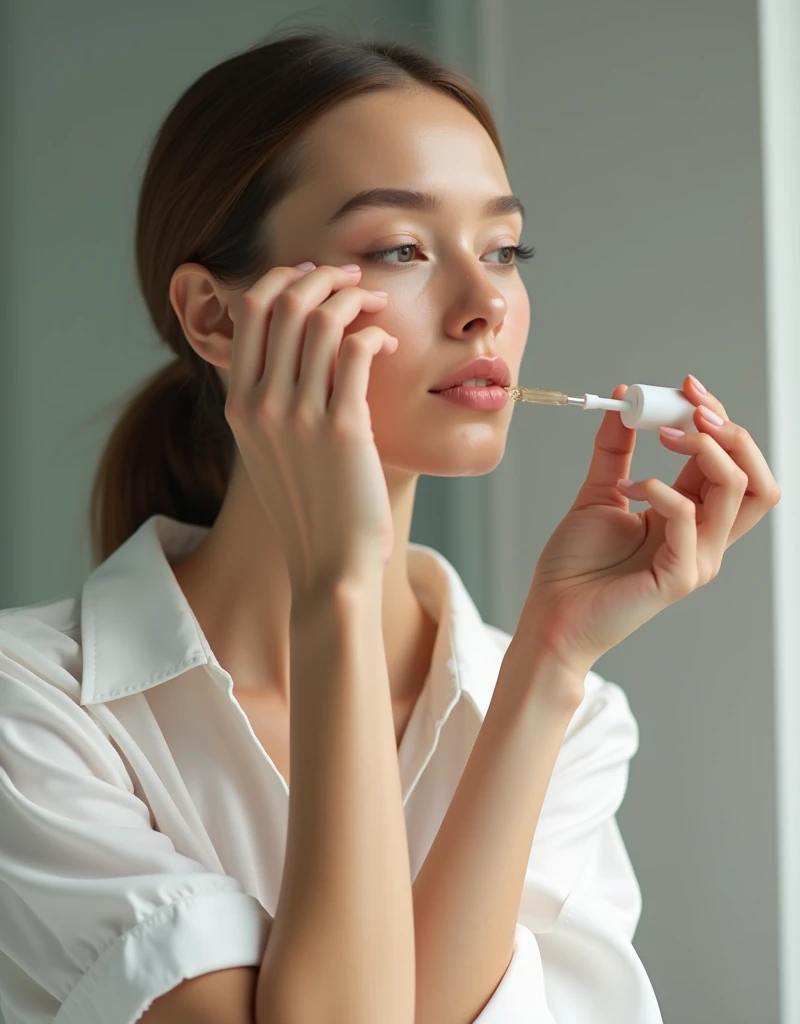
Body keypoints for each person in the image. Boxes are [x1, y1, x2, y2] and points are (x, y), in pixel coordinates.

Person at [0, 29, 781, 1024]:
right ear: (216, 318)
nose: (484, 303)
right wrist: (338, 585)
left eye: (503, 249)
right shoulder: (31, 717)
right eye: (400, 250)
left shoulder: (568, 718)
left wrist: (546, 661)